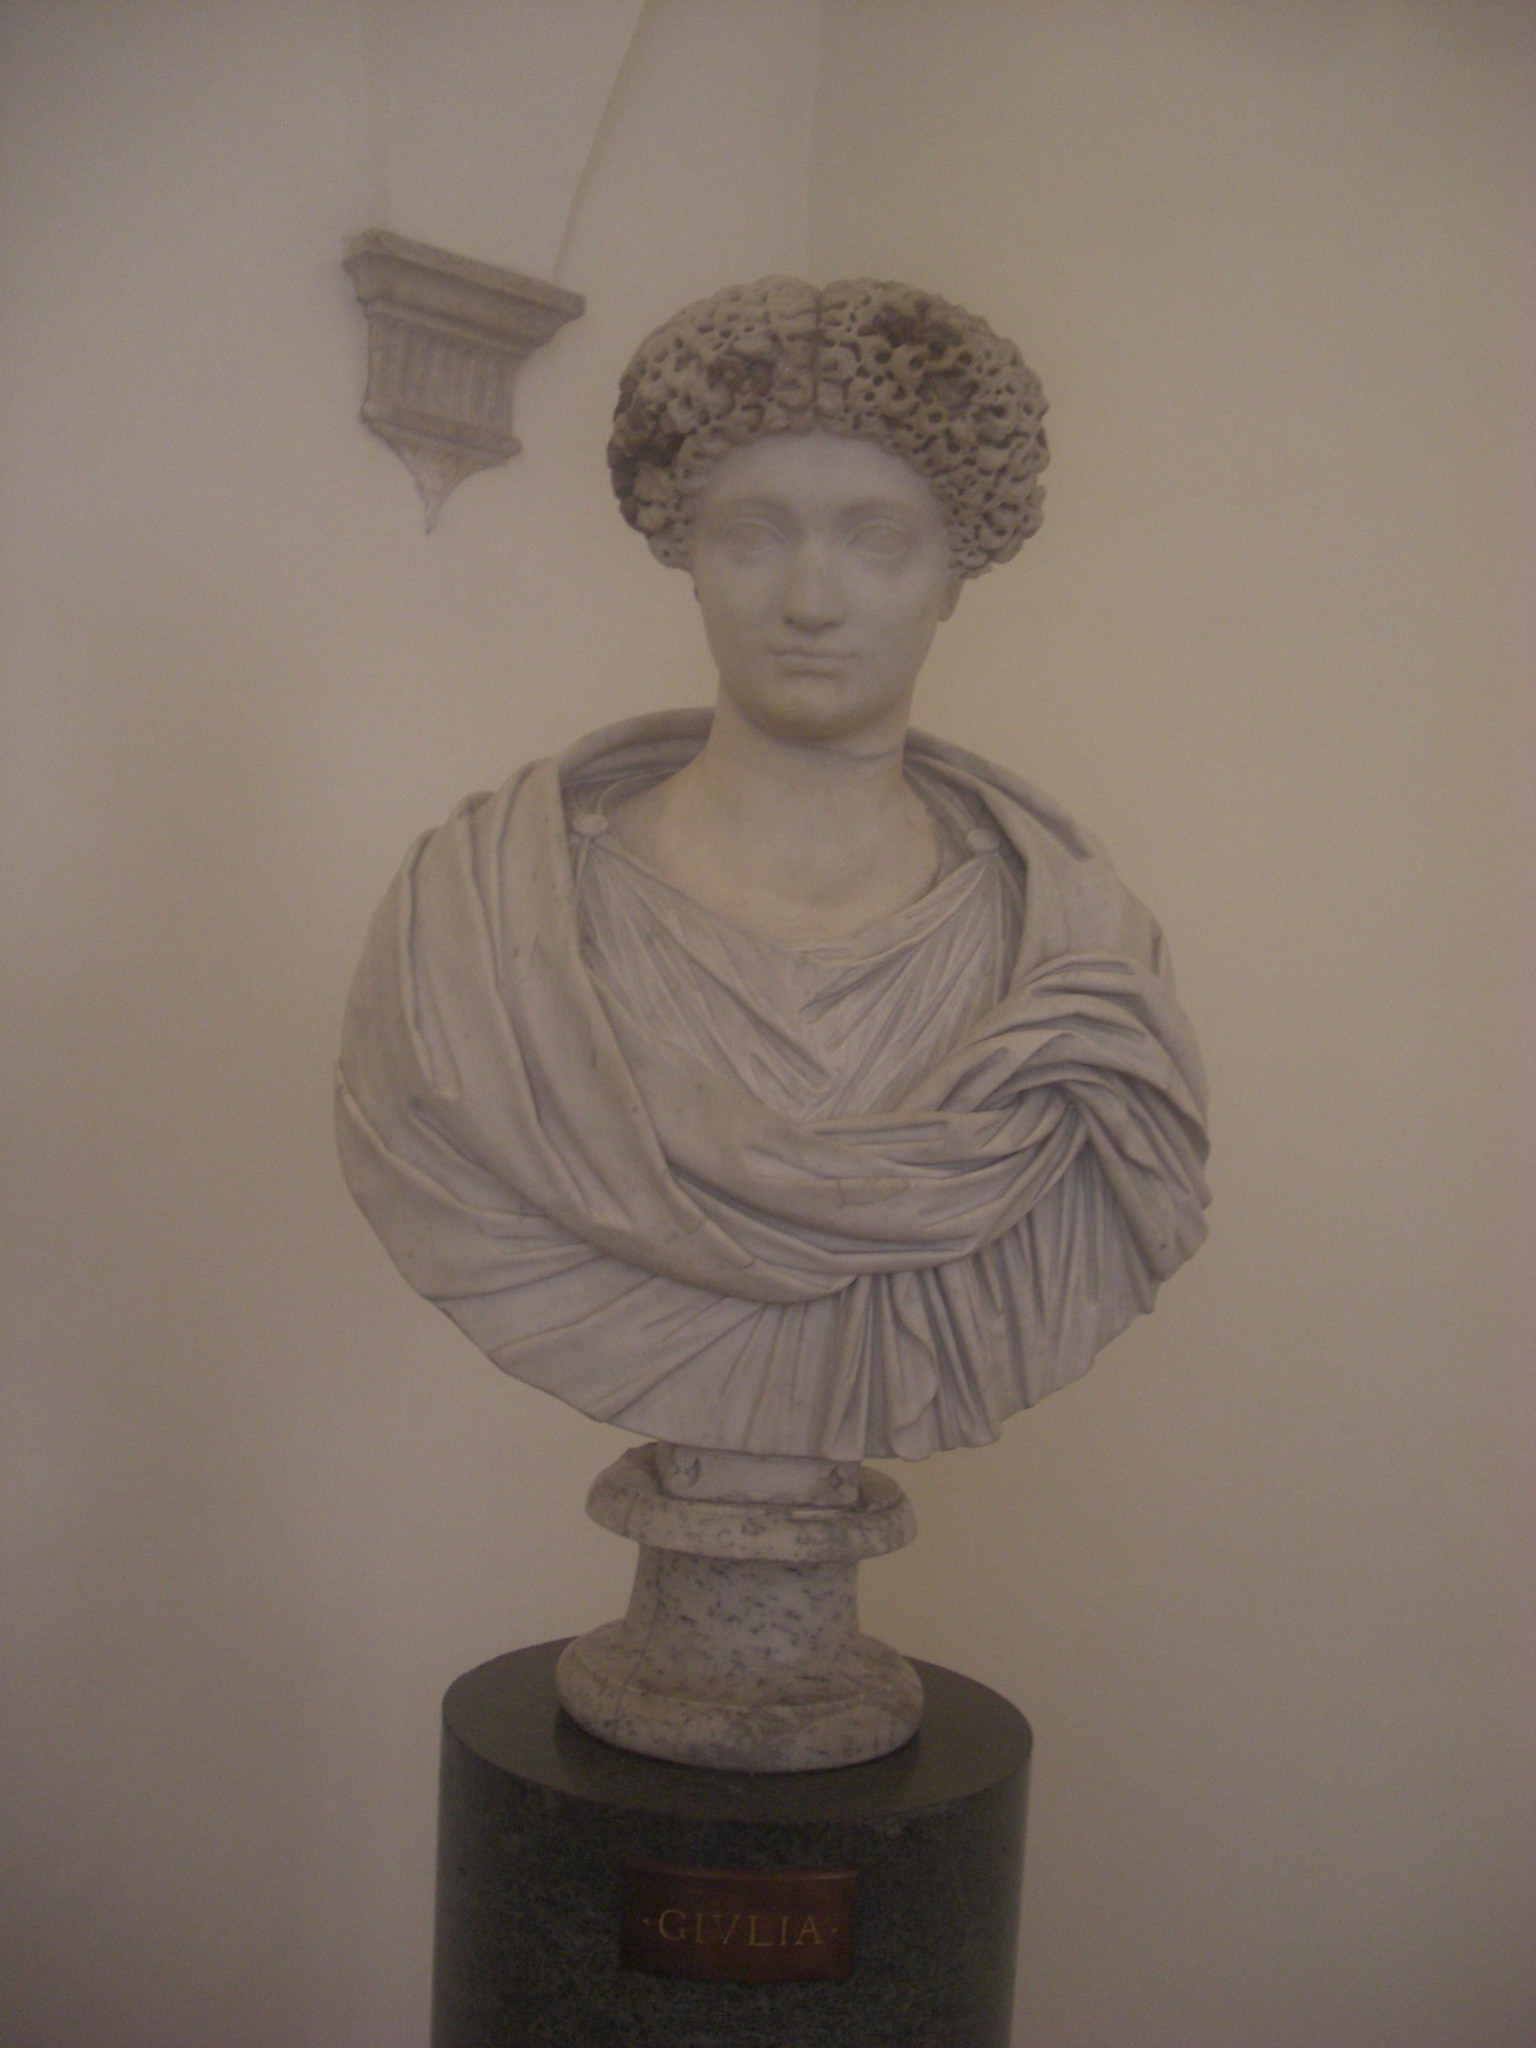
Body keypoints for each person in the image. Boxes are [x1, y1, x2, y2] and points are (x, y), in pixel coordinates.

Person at [335, 278, 1209, 1500]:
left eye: (876, 539)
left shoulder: (1075, 967)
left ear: (954, 573)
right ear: (686, 555)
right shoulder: (475, 931)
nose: (809, 599)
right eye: (753, 535)